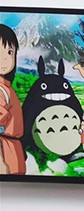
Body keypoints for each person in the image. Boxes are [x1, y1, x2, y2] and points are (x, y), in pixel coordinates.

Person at [0, 24, 26, 175]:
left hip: (11, 150)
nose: (4, 58)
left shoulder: (6, 87)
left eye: (10, 52)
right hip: (5, 151)